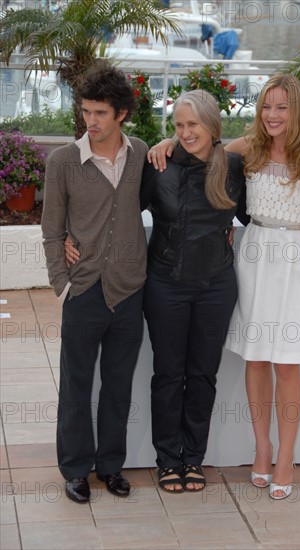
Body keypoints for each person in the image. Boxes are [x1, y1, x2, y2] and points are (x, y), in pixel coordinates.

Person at [147, 74, 300, 499]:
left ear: (297, 110)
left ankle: (286, 455)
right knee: (255, 361)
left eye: (282, 107)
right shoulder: (247, 148)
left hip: (296, 267)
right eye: (267, 106)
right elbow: (201, 145)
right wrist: (163, 144)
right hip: (252, 262)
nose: (272, 115)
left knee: (288, 365)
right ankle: (262, 449)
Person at [41, 60, 148, 503]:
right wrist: (61, 284)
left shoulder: (142, 153)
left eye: (100, 112)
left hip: (129, 289)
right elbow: (51, 229)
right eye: (86, 111)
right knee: (76, 385)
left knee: (119, 385)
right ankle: (75, 469)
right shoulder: (63, 161)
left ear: (121, 112)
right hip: (83, 289)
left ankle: (110, 467)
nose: (91, 121)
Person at [141, 89, 248, 492]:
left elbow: (256, 215)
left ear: (212, 125)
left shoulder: (233, 168)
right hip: (164, 284)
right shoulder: (159, 165)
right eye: (179, 126)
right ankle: (168, 460)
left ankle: (193, 459)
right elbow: (123, 209)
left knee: (203, 375)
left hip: (216, 287)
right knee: (168, 374)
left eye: (193, 125)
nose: (186, 133)